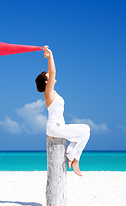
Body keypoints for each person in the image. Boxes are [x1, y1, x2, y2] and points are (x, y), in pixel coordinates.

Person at [35, 46, 90, 176]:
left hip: (59, 126)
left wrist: (48, 58)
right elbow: (52, 72)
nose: (52, 77)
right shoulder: (48, 93)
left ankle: (72, 154)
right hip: (55, 128)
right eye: (49, 77)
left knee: (85, 131)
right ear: (47, 82)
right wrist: (51, 55)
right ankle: (74, 158)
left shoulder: (53, 92)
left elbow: (51, 73)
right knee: (84, 131)